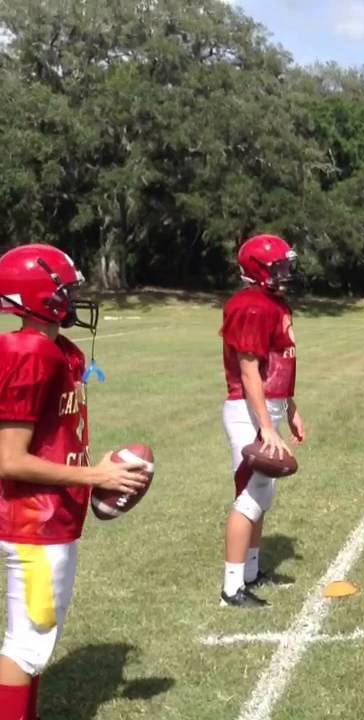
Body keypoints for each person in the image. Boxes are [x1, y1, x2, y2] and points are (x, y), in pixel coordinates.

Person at [0, 244, 149, 719]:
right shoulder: (28, 352)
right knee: (26, 646)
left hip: (52, 519)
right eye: (64, 290)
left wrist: (92, 464)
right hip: (33, 523)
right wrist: (94, 475)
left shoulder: (59, 351)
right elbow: (9, 460)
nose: (73, 298)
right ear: (36, 296)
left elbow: (54, 438)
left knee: (34, 646)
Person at [219, 234, 305, 608]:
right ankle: (231, 588)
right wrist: (266, 426)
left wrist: (290, 408)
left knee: (263, 493)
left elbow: (277, 367)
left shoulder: (273, 303)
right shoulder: (251, 306)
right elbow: (249, 371)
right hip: (249, 409)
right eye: (279, 267)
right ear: (258, 270)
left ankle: (251, 572)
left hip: (268, 407)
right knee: (250, 495)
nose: (286, 273)